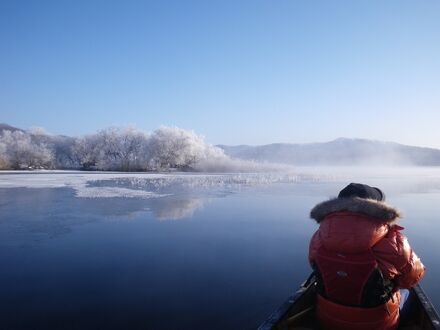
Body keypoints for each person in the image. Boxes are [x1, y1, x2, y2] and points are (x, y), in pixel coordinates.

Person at [309, 183, 425, 330]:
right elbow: (412, 279)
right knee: (409, 293)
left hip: (327, 317)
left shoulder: (318, 238)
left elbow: (314, 264)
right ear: (378, 209)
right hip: (377, 324)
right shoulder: (395, 242)